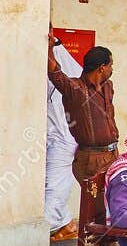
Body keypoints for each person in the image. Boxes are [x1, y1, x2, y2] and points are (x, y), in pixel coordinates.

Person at [48, 37, 119, 188]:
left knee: (114, 204)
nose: (112, 69)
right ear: (101, 68)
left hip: (113, 155)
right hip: (91, 159)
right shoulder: (75, 89)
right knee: (95, 205)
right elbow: (55, 73)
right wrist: (50, 47)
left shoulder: (108, 87)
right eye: (110, 65)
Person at [45, 39, 83, 242]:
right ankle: (65, 223)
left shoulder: (69, 72)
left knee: (53, 185)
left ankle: (42, 230)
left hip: (62, 138)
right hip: (50, 136)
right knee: (51, 183)